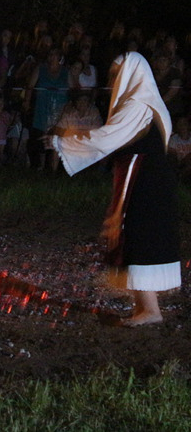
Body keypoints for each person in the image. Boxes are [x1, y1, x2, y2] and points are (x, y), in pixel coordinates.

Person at [47, 52, 180, 326]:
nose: (112, 81)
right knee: (139, 236)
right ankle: (145, 307)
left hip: (144, 181)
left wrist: (63, 141)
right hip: (151, 180)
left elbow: (106, 140)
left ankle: (150, 311)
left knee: (138, 237)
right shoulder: (152, 105)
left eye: (116, 74)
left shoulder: (138, 106)